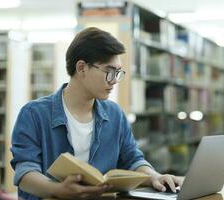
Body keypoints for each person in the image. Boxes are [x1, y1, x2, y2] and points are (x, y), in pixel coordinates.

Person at [10, 27, 180, 200]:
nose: (114, 81)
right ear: (82, 68)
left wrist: (155, 176)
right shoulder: (33, 114)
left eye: (118, 73)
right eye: (109, 72)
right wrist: (58, 190)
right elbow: (25, 173)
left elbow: (132, 159)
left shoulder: (115, 114)